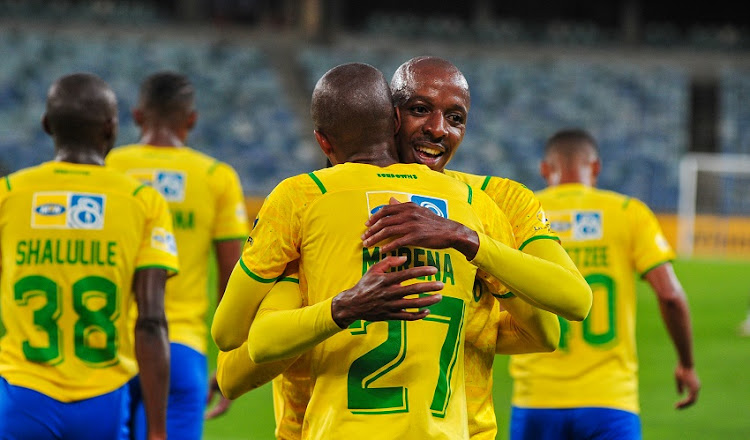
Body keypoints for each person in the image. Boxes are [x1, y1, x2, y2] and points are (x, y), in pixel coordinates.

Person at [215, 56, 592, 440]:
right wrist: (337, 317)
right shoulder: (477, 202)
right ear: (389, 115)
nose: (437, 129)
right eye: (419, 110)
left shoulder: (497, 201)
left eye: (455, 118)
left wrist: (466, 255)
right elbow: (234, 370)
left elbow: (549, 328)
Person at [0, 73, 178, 440]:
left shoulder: (8, 194)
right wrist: (158, 431)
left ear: (47, 125)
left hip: (21, 394)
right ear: (112, 128)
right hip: (104, 398)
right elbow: (151, 322)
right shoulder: (143, 202)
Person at [508, 128, 701, 440]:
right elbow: (670, 296)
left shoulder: (522, 213)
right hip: (610, 400)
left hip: (536, 399)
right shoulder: (628, 212)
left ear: (545, 169)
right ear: (595, 167)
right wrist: (686, 364)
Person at [106, 71, 249, 438]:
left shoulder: (109, 168)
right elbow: (233, 280)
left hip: (109, 346)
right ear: (191, 119)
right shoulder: (217, 177)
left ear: (137, 116)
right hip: (178, 349)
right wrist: (229, 360)